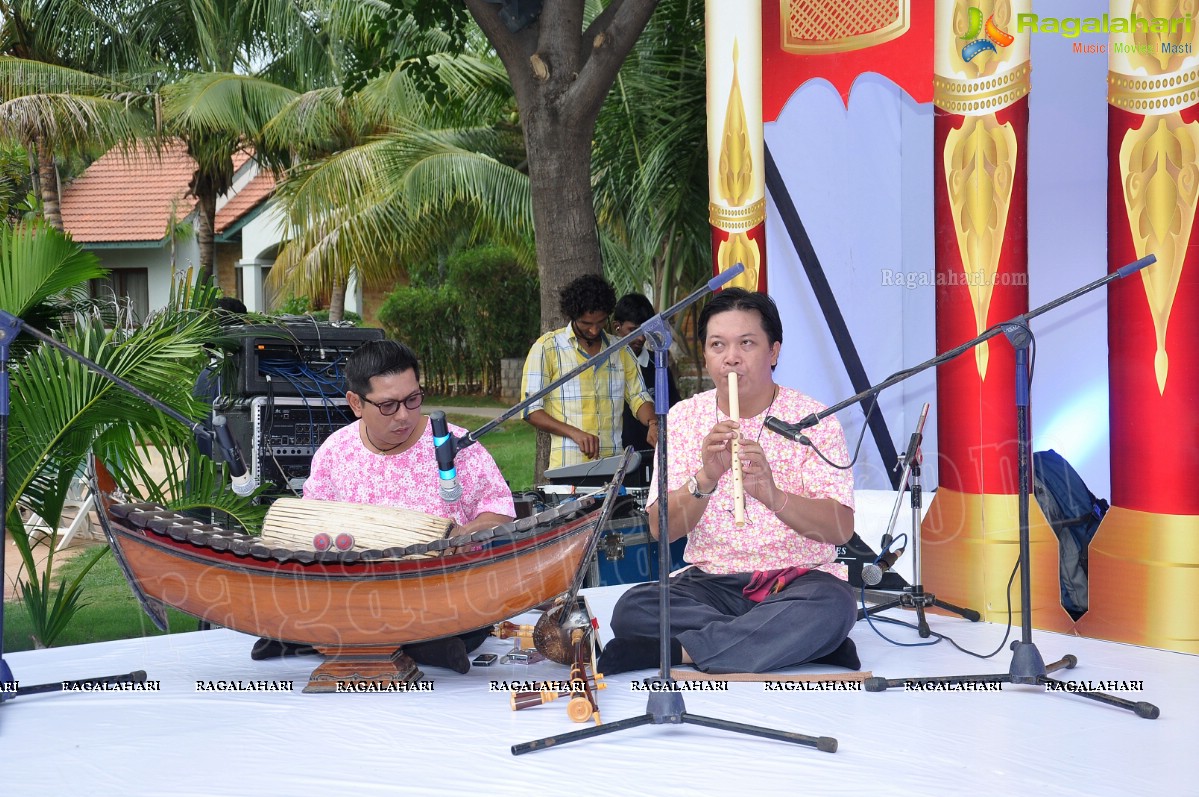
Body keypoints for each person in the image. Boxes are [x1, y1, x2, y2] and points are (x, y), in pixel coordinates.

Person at [599, 288, 860, 675]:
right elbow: (660, 528)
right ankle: (792, 643)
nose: (731, 357)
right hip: (711, 586)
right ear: (705, 355)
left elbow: (840, 530)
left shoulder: (813, 418)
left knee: (834, 605)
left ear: (773, 352)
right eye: (717, 345)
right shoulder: (684, 420)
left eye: (747, 343)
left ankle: (680, 652)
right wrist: (707, 476)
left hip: (797, 582)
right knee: (632, 609)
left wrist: (773, 496)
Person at [253, 339, 516, 672]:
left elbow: (499, 511)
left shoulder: (455, 444)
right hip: (358, 593)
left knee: (467, 620)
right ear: (356, 403)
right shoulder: (336, 453)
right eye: (389, 405)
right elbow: (313, 528)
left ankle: (325, 640)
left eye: (413, 399)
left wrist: (472, 532)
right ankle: (419, 646)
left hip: (441, 592)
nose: (404, 415)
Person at [521, 275, 659, 471]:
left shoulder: (620, 349)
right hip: (567, 468)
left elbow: (639, 396)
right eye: (586, 323)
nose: (594, 330)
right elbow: (530, 410)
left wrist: (653, 422)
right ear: (573, 315)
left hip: (614, 466)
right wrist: (574, 433)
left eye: (601, 322)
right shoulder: (547, 347)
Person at [612, 292, 681, 452]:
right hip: (617, 456)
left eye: (645, 331)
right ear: (617, 326)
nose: (641, 338)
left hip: (654, 454)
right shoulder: (609, 365)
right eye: (634, 330)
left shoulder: (659, 365)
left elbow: (675, 407)